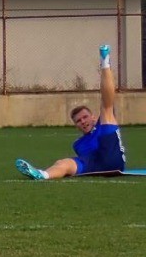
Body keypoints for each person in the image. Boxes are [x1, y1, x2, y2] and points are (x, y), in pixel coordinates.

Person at [16, 45, 126, 180]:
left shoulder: (101, 125)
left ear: (93, 117)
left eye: (85, 117)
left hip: (112, 160)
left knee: (106, 107)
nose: (83, 121)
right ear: (76, 126)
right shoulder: (78, 144)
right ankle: (43, 174)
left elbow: (107, 99)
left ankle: (105, 62)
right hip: (93, 165)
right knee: (63, 163)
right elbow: (86, 159)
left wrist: (104, 65)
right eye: (78, 121)